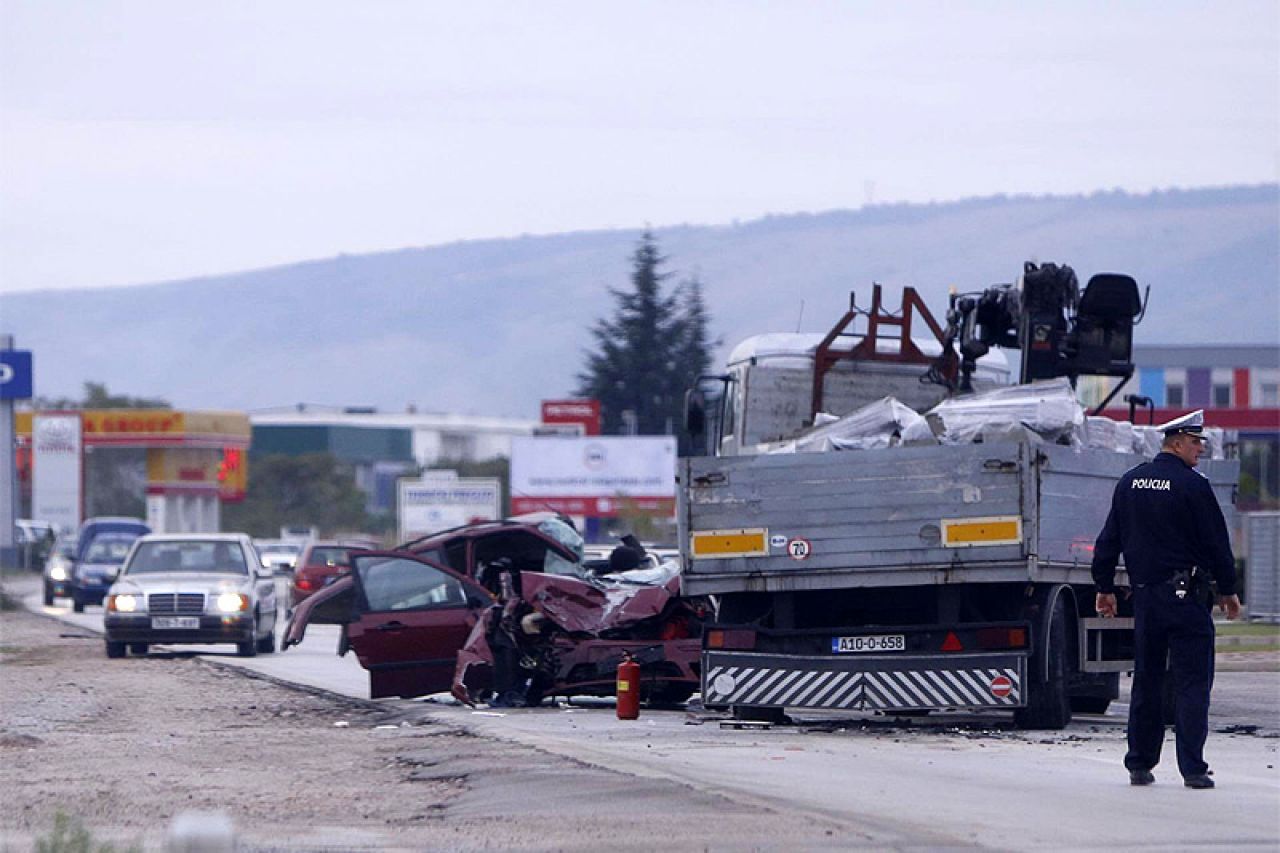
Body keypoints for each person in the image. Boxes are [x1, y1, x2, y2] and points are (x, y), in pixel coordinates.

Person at [1092, 409, 1241, 790]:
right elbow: (1216, 543)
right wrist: (1228, 589)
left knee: (1148, 679)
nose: (1200, 450)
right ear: (1176, 443)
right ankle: (1192, 768)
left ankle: (1139, 763)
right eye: (1195, 443)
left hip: (1146, 598)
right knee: (1192, 682)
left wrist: (1104, 587)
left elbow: (1109, 540)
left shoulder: (1130, 483)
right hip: (1186, 598)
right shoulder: (1193, 486)